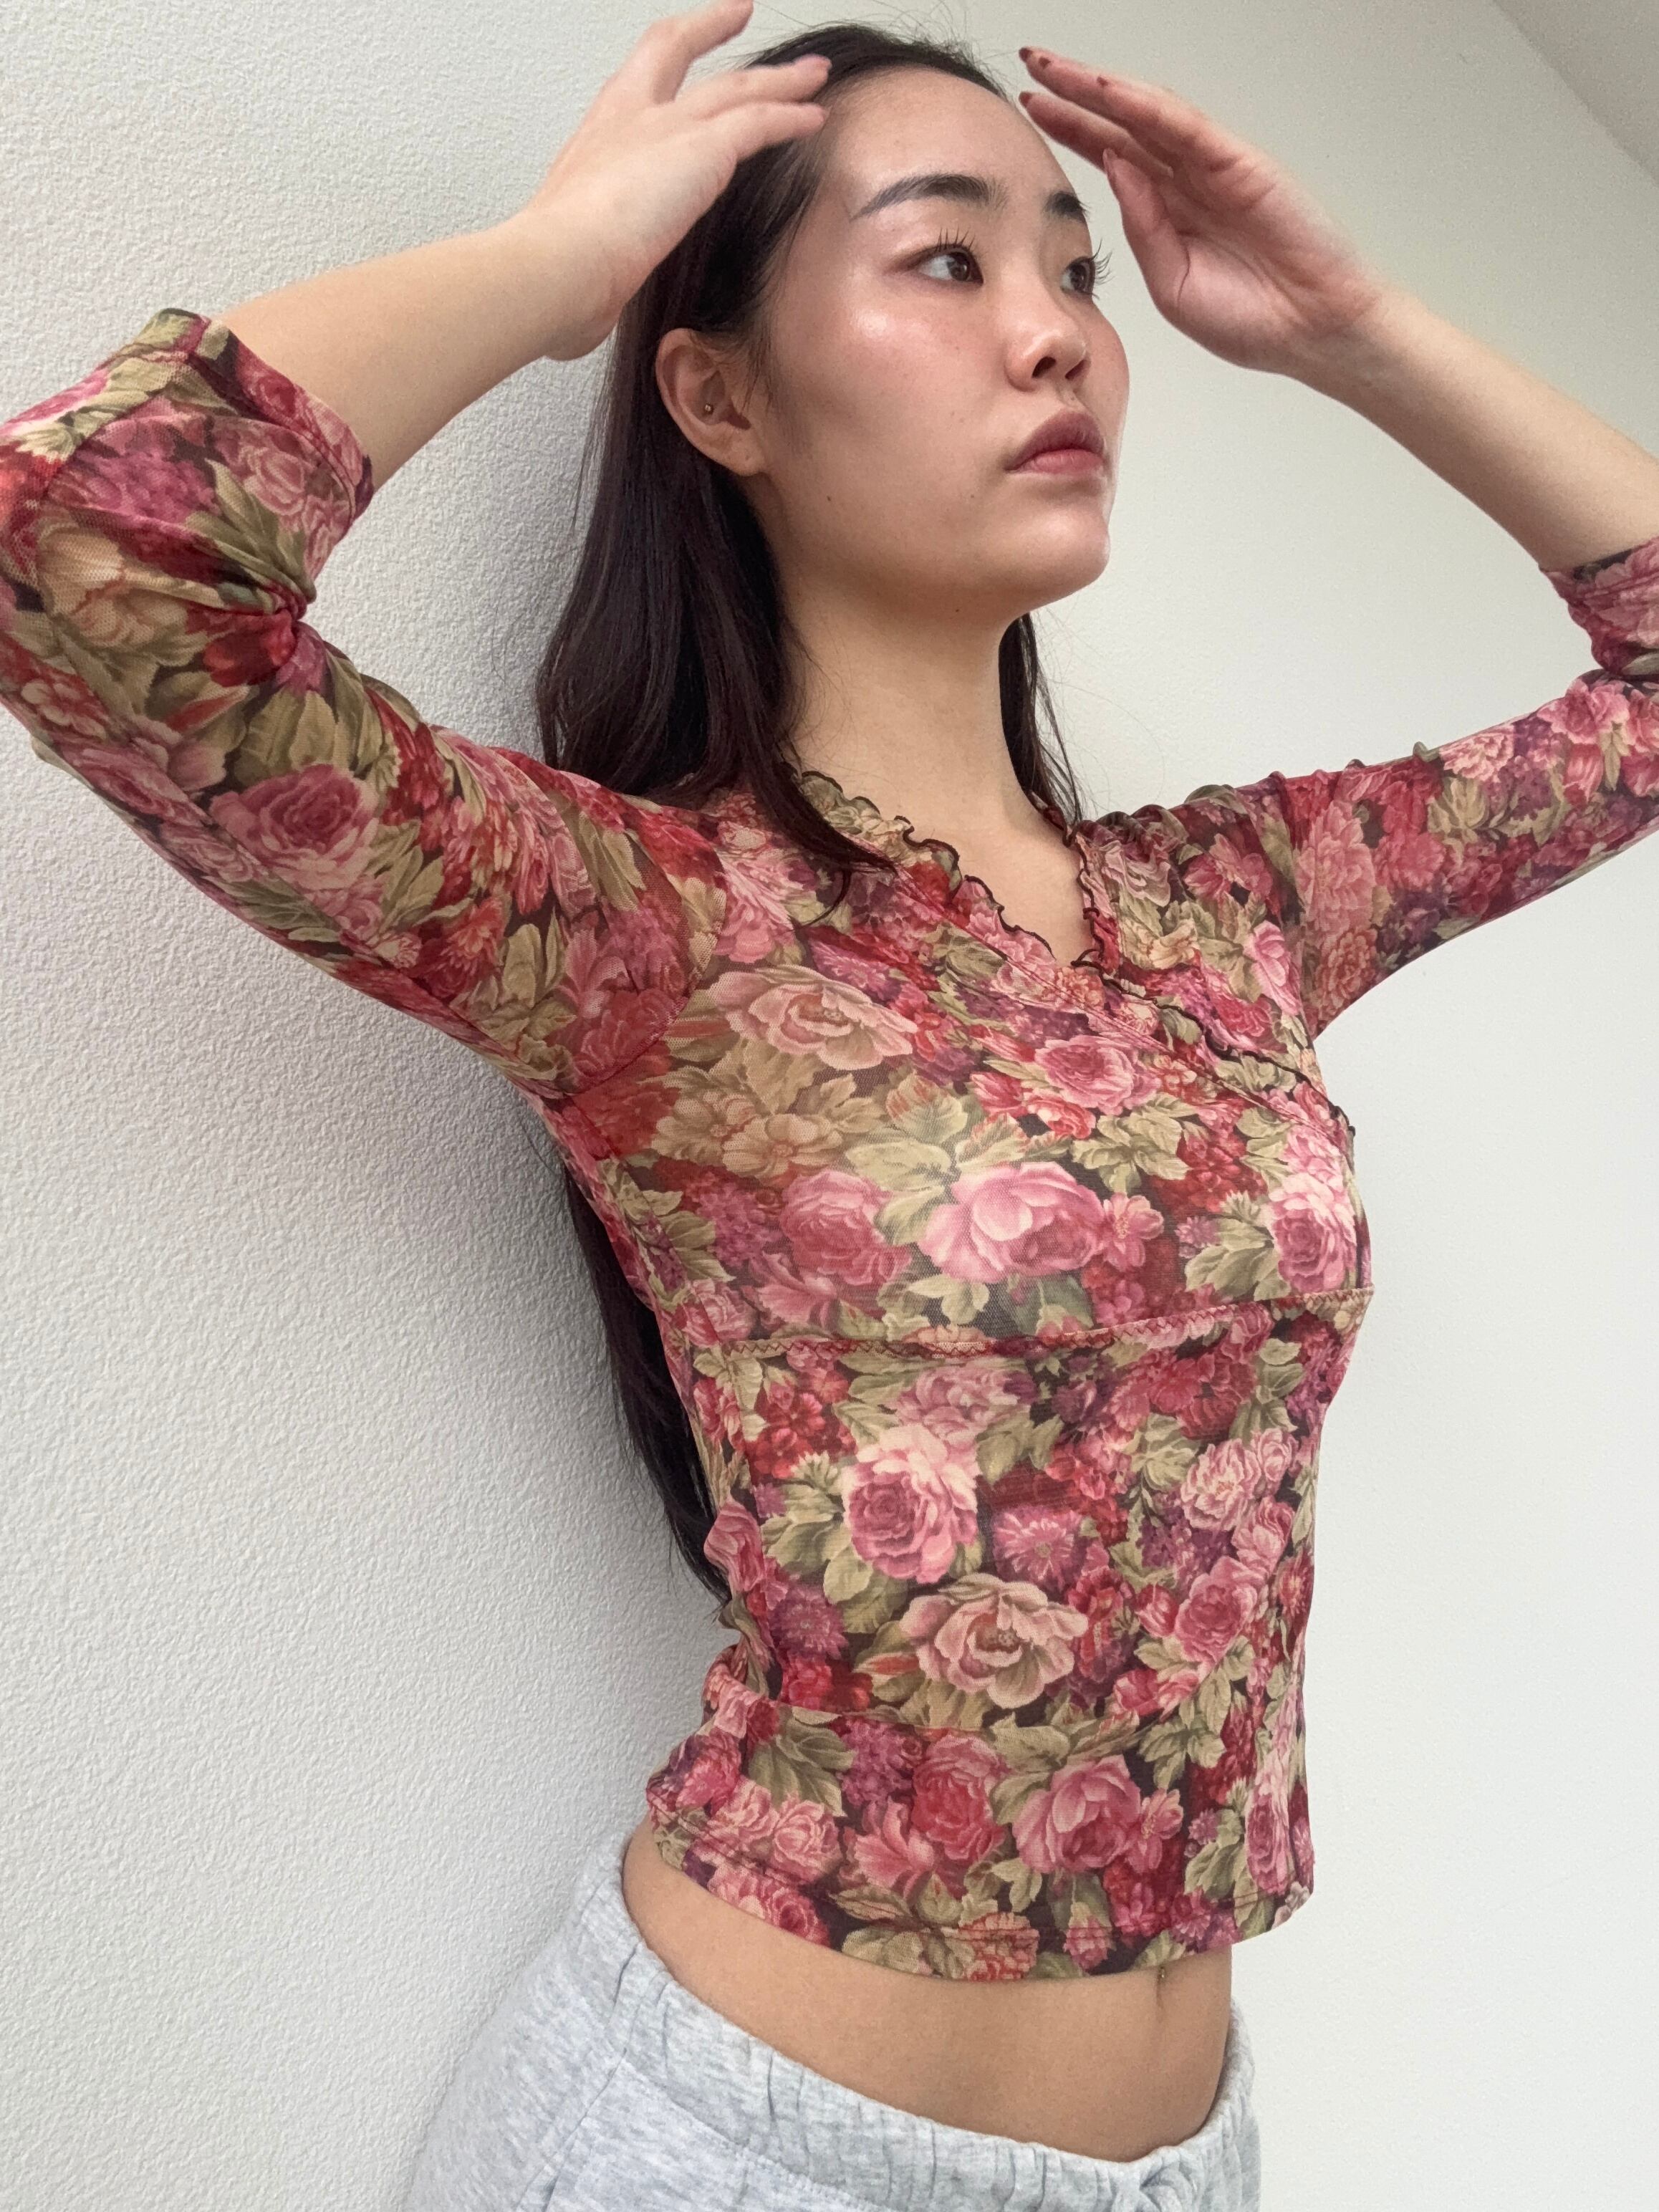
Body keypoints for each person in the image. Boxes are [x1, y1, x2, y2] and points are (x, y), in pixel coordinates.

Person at [4, 4, 1656, 2206]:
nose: (1055, 334)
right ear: (719, 396)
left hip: (1188, 2157)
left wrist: (1350, 328)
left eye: (1072, 268)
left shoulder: (1237, 908)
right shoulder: (653, 930)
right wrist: (552, 269)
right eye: (946, 259)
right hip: (738, 2150)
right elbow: (88, 563)